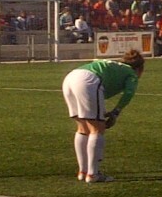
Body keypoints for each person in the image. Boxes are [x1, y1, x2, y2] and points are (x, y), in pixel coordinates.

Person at [61, 49, 145, 183]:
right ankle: (93, 174)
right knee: (97, 129)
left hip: (71, 78)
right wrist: (116, 112)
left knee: (83, 128)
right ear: (140, 69)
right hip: (89, 80)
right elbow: (128, 93)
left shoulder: (115, 66)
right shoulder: (131, 74)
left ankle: (83, 171)